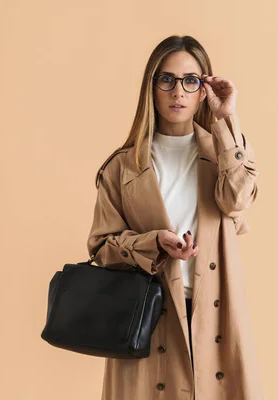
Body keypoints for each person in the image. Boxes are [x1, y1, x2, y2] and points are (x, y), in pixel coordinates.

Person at [87, 35, 263, 400]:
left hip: (214, 317)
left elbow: (238, 198)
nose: (177, 92)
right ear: (151, 88)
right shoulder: (123, 166)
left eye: (190, 81)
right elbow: (101, 247)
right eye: (166, 80)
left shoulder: (223, 153)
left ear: (203, 90)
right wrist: (153, 244)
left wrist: (228, 117)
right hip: (147, 318)